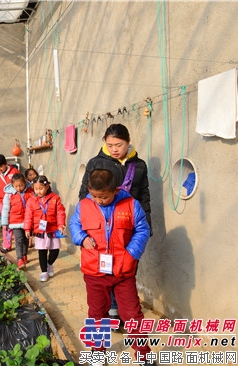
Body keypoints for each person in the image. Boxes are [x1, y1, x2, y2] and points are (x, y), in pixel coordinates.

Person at [69, 169, 153, 365]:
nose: (98, 200)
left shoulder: (131, 204)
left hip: (124, 271)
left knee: (132, 314)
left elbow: (142, 228)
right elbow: (75, 225)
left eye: (104, 196)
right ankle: (98, 354)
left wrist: (131, 253)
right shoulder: (84, 205)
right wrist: (82, 238)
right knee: (97, 314)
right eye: (94, 195)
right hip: (94, 272)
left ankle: (144, 356)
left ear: (115, 190)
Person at [79, 123, 152, 323]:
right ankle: (112, 311)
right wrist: (83, 236)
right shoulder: (97, 163)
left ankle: (122, 312)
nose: (114, 149)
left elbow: (144, 195)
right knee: (100, 294)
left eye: (118, 144)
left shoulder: (139, 166)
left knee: (125, 273)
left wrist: (145, 230)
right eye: (110, 145)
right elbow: (84, 203)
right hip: (100, 233)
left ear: (128, 142)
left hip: (126, 227)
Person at [24, 176, 66, 282]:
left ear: (47, 186)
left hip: (52, 229)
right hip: (40, 231)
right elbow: (28, 215)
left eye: (41, 188)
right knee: (42, 252)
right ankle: (44, 272)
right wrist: (27, 229)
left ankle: (50, 264)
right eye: (36, 189)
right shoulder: (31, 200)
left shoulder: (55, 198)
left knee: (55, 251)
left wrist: (61, 225)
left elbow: (60, 212)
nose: (38, 191)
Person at [1, 173, 34, 269]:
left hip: (28, 221)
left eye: (21, 185)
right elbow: (5, 209)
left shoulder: (30, 192)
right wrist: (4, 223)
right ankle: (19, 259)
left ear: (25, 183)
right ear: (12, 185)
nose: (19, 188)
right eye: (16, 186)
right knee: (18, 240)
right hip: (15, 221)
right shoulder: (9, 195)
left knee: (26, 239)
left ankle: (24, 254)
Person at [0, 154, 20, 251]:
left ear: (5, 164)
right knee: (5, 224)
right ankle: (7, 245)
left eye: (1, 166)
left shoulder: (14, 171)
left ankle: (21, 243)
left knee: (18, 222)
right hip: (3, 204)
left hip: (15, 202)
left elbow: (21, 185)